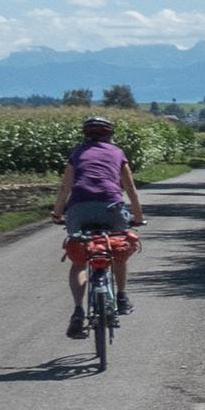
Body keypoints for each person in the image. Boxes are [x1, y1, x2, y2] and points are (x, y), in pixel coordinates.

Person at [54, 115, 143, 339]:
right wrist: (138, 217)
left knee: (79, 261)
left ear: (85, 134)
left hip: (79, 208)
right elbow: (130, 189)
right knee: (118, 249)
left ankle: (78, 311)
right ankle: (122, 297)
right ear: (109, 134)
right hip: (110, 207)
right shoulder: (117, 153)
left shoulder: (77, 154)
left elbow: (65, 188)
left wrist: (57, 214)